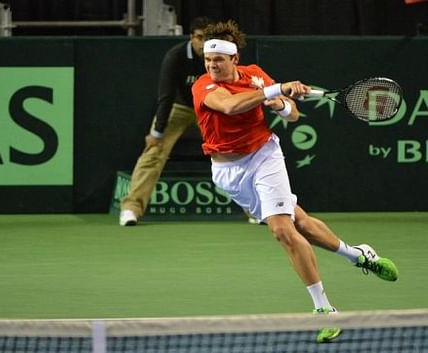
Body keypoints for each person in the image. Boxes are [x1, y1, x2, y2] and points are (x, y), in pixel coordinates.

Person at [191, 20, 399, 343]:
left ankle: (325, 310)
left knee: (282, 230)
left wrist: (282, 104)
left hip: (263, 156)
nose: (211, 65)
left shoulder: (255, 74)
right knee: (299, 221)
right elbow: (230, 107)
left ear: (234, 59)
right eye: (207, 59)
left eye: (218, 59)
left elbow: (293, 115)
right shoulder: (203, 86)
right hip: (228, 173)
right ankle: (358, 255)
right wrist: (276, 90)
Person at [119, 16, 213, 226]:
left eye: (208, 38)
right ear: (191, 37)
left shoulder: (218, 56)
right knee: (153, 153)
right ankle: (131, 209)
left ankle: (257, 210)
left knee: (233, 152)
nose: (204, 43)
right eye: (199, 38)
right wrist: (157, 133)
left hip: (209, 107)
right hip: (178, 107)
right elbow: (166, 96)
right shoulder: (176, 56)